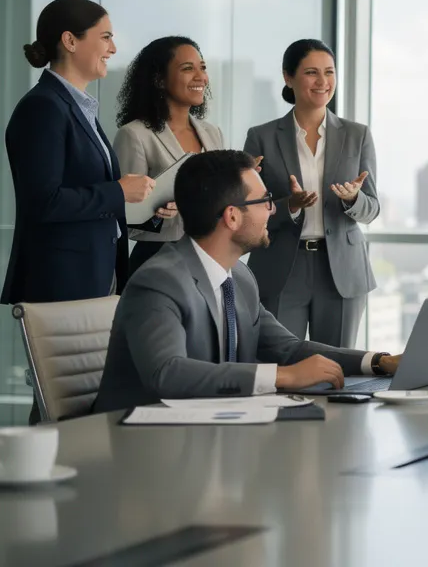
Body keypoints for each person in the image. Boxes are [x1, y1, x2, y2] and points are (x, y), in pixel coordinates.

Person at [94, 150, 402, 413]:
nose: (272, 209)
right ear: (232, 217)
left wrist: (378, 362)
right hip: (139, 447)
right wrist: (282, 377)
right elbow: (167, 373)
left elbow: (289, 350)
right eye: (265, 200)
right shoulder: (160, 281)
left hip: (212, 432)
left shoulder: (239, 277)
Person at [3, 0, 153, 306]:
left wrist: (148, 205)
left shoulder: (77, 108)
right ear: (70, 41)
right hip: (62, 283)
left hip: (96, 276)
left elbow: (92, 199)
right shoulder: (43, 107)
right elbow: (44, 202)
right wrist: (119, 191)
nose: (113, 49)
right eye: (106, 37)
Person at [242, 39, 378, 348]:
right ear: (288, 77)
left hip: (341, 270)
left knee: (337, 369)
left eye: (329, 72)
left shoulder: (358, 135)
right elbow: (246, 206)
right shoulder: (260, 137)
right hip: (280, 267)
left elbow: (372, 208)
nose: (323, 82)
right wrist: (288, 205)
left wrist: (353, 199)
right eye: (311, 73)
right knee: (278, 364)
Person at [113, 35, 227, 277]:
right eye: (187, 68)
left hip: (210, 258)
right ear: (159, 80)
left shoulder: (212, 132)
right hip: (159, 262)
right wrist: (158, 215)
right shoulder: (134, 135)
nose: (200, 77)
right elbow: (127, 220)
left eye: (202, 68)